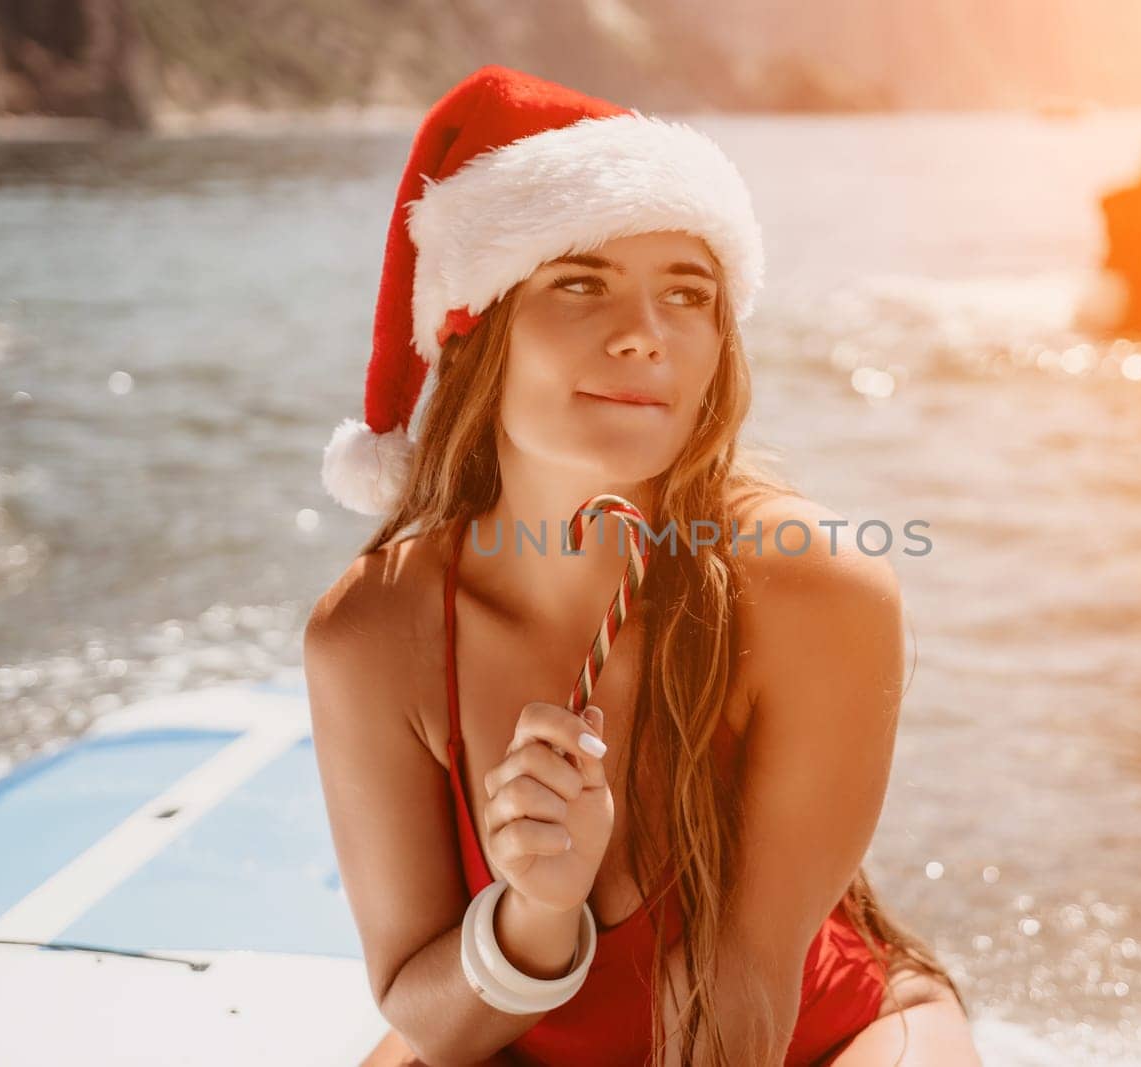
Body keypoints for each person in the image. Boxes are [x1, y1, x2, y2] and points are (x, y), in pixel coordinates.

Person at [304, 65, 984, 1067]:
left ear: (719, 347)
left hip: (811, 1041)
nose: (644, 334)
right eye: (580, 282)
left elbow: (741, 987)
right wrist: (533, 913)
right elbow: (428, 1015)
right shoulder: (375, 631)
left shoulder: (813, 585)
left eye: (687, 294)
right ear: (477, 329)